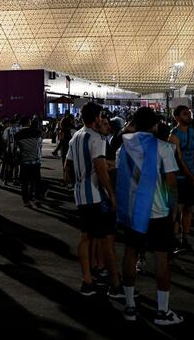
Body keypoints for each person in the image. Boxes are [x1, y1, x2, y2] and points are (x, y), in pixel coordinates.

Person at [117, 106, 183, 325]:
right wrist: (174, 209)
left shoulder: (123, 147)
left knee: (130, 254)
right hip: (158, 211)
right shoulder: (163, 147)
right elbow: (172, 183)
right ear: (155, 125)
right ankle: (162, 311)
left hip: (132, 212)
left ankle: (129, 306)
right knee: (162, 258)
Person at [64, 102, 122, 300]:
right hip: (97, 196)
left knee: (85, 237)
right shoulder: (96, 138)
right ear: (96, 117)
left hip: (80, 196)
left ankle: (87, 281)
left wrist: (76, 182)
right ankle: (115, 284)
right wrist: (111, 193)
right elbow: (99, 167)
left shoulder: (76, 137)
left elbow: (66, 168)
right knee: (107, 240)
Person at [169, 106, 194, 254]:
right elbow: (178, 158)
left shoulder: (191, 131)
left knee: (188, 209)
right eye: (184, 114)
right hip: (178, 178)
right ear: (177, 117)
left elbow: (193, 153)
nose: (188, 116)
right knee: (176, 211)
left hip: (190, 176)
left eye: (189, 113)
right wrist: (191, 175)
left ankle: (184, 239)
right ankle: (173, 241)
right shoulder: (173, 136)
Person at [15, 115, 44, 207]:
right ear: (28, 122)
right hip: (35, 161)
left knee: (24, 183)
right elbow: (39, 146)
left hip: (24, 162)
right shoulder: (36, 132)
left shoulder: (17, 135)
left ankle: (26, 201)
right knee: (36, 182)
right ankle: (37, 199)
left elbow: (15, 149)